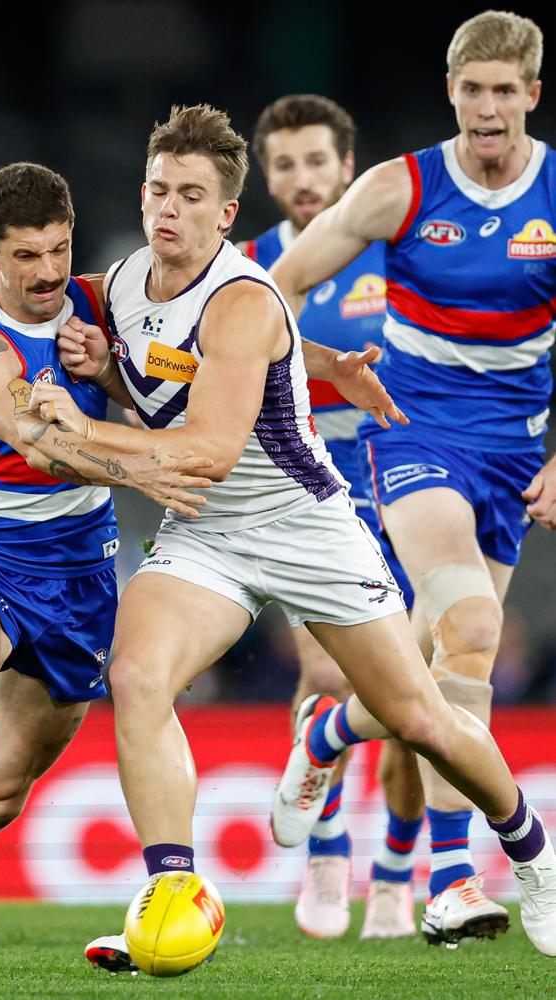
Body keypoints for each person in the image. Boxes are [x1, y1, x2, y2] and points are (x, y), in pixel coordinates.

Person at [21, 104, 556, 967]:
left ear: (227, 214)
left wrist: (74, 433)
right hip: (207, 534)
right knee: (136, 672)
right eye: (158, 188)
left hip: (305, 526)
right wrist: (106, 374)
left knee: (418, 714)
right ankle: (172, 896)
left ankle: (533, 856)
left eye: (192, 195)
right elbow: (161, 385)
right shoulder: (123, 282)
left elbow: (208, 446)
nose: (169, 208)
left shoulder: (241, 296)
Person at [270, 9, 556, 944]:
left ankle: (328, 736)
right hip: (415, 433)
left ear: (531, 96)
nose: (486, 108)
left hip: (517, 449)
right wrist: (290, 367)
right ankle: (454, 877)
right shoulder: (401, 188)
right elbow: (276, 284)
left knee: (443, 671)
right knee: (472, 626)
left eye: (503, 91)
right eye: (471, 89)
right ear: (451, 92)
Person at [0, 162, 212, 895]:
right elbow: (42, 448)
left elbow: (179, 381)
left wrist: (113, 371)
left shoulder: (102, 303)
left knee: (0, 794)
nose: (47, 273)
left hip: (81, 574)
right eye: (25, 255)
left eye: (58, 249)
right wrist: (142, 472)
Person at [240, 94, 425, 940]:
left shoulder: (399, 254)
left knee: (419, 704)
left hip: (410, 493)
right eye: (285, 165)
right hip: (312, 503)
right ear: (267, 178)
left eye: (318, 161)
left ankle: (396, 868)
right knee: (326, 680)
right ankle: (324, 852)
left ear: (349, 168)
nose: (304, 179)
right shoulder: (246, 271)